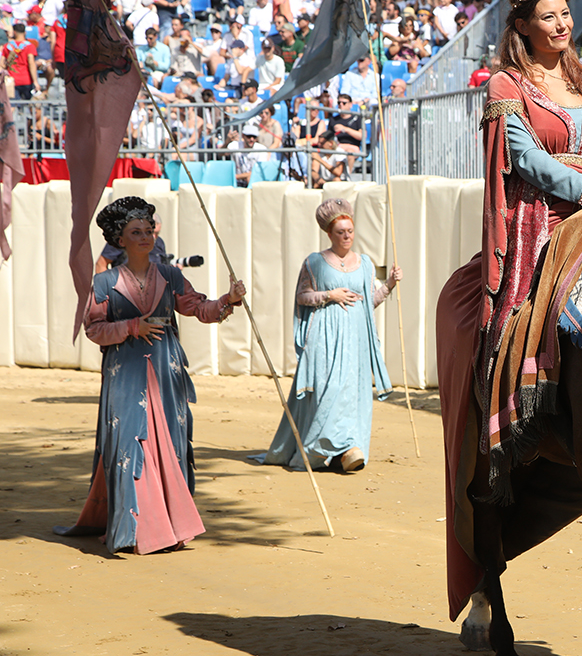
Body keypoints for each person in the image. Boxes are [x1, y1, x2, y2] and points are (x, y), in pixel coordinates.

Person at [435, 0, 582, 618]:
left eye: (565, 14)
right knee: (523, 309)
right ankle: (516, 387)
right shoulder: (506, 86)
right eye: (547, 17)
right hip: (549, 220)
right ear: (523, 26)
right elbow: (529, 164)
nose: (561, 25)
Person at [55, 197, 246, 554]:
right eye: (136, 232)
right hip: (123, 372)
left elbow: (199, 309)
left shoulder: (171, 276)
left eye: (149, 229)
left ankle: (168, 526)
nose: (146, 236)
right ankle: (133, 530)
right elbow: (94, 329)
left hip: (165, 368)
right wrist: (131, 326)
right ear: (120, 240)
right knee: (128, 442)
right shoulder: (104, 282)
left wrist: (228, 300)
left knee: (168, 443)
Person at [259, 198, 399, 472]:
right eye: (340, 232)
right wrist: (329, 295)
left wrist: (390, 285)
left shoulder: (366, 263)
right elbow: (302, 296)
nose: (346, 236)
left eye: (350, 231)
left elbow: (368, 301)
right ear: (329, 234)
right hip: (325, 338)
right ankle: (326, 448)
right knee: (329, 390)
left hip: (356, 338)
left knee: (353, 392)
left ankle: (346, 447)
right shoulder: (315, 262)